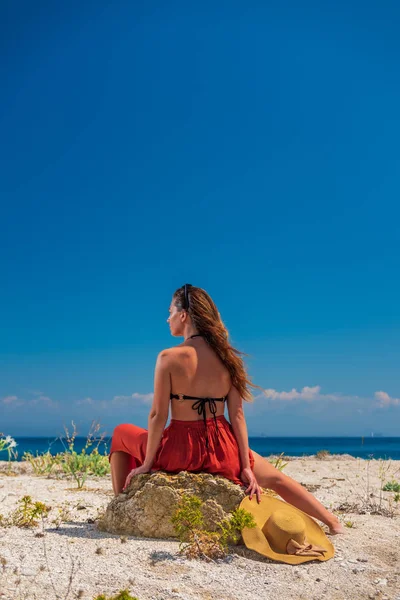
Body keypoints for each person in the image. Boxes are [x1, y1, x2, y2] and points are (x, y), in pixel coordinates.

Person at [110, 284, 344, 535]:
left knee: (121, 432)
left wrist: (147, 464)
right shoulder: (228, 357)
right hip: (223, 450)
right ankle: (333, 523)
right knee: (277, 479)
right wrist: (244, 465)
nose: (167, 318)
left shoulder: (168, 357)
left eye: (170, 311)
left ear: (184, 315)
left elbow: (158, 416)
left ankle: (122, 500)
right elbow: (238, 416)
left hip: (179, 451)